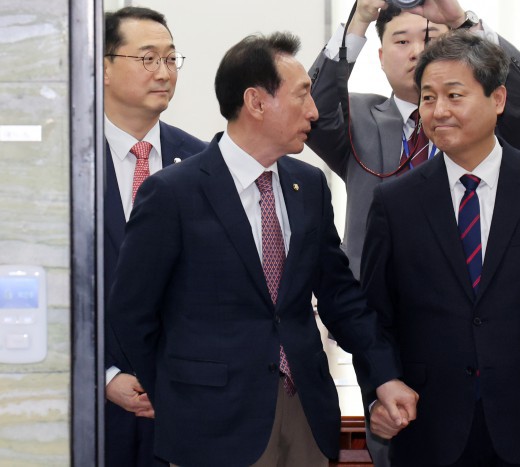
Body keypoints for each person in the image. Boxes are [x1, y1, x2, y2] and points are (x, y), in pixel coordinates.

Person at [106, 32, 418, 467]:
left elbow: (340, 297)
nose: (314, 111)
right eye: (302, 95)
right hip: (212, 426)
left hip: (305, 414)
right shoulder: (173, 193)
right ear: (255, 102)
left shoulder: (308, 185)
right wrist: (175, 396)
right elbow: (132, 311)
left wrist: (384, 374)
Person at [359, 29, 520, 466]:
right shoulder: (395, 201)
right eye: (428, 98)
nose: (438, 110)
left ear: (497, 99)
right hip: (428, 424)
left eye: (454, 95)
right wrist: (378, 392)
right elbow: (375, 316)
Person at [307, 0, 520, 278]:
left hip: (470, 291)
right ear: (381, 57)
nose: (418, 52)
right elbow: (309, 111)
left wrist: (463, 23)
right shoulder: (358, 117)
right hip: (375, 296)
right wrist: (358, 23)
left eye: (431, 39)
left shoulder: (484, 121)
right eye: (402, 42)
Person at [102, 6, 206, 466]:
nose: (164, 73)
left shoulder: (202, 162)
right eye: (147, 58)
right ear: (103, 67)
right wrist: (104, 375)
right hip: (90, 406)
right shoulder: (65, 162)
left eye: (170, 59)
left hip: (183, 402)